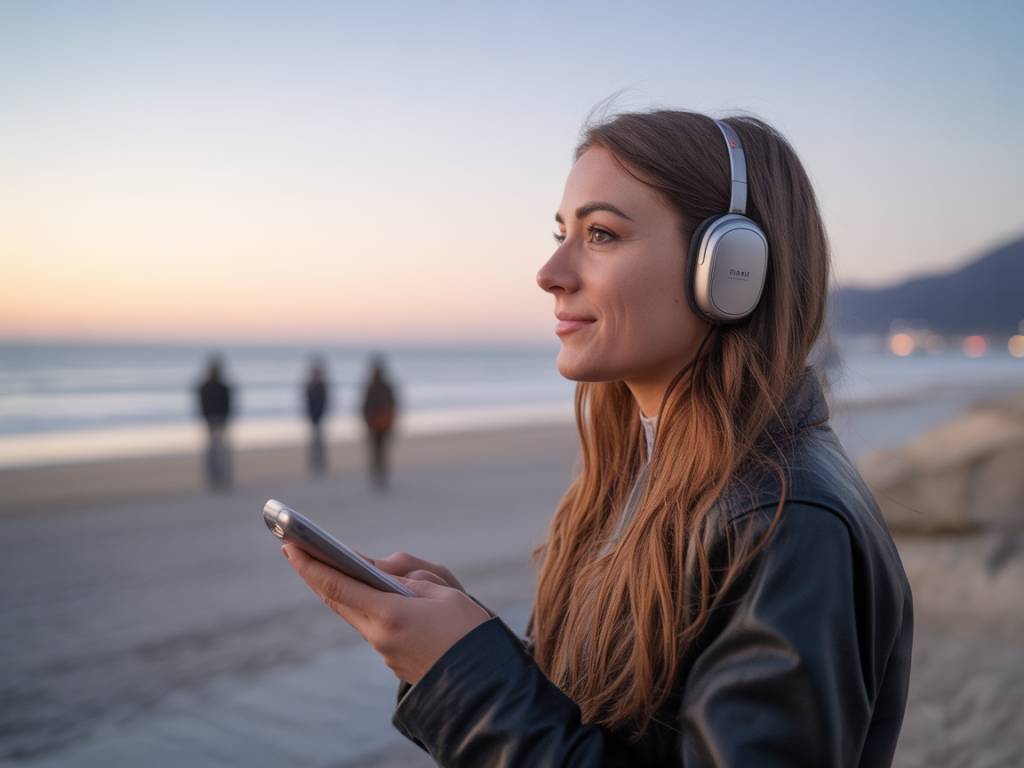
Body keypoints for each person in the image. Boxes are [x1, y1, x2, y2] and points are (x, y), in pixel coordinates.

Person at [280, 110, 914, 766]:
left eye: (602, 234)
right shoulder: (647, 474)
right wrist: (469, 644)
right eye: (562, 233)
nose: (550, 271)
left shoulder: (787, 524)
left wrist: (466, 684)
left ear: (731, 268)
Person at [360, 355, 398, 491]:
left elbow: (392, 405)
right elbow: (365, 407)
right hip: (375, 424)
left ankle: (380, 475)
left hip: (382, 424)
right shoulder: (375, 387)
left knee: (379, 451)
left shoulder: (378, 387)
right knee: (377, 451)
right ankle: (378, 475)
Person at [196, 355, 232, 490]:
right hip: (213, 420)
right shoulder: (209, 386)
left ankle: (221, 477)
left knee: (219, 450)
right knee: (216, 450)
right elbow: (202, 405)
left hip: (217, 420)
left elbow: (228, 405)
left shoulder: (219, 386)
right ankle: (215, 478)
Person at [304, 358, 330, 475]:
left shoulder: (321, 385)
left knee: (319, 440)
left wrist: (320, 414)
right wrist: (310, 414)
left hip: (319, 416)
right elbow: (307, 401)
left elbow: (324, 402)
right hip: (313, 416)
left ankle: (320, 462)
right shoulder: (310, 385)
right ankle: (314, 461)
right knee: (314, 440)